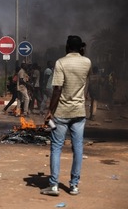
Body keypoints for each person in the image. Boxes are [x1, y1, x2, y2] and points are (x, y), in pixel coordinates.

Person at [41, 35, 91, 196]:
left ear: (67, 46)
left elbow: (57, 89)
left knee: (56, 148)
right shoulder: (87, 62)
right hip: (79, 112)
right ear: (80, 47)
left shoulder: (61, 62)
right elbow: (86, 85)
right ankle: (74, 185)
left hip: (62, 112)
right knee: (78, 148)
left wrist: (50, 111)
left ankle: (54, 185)